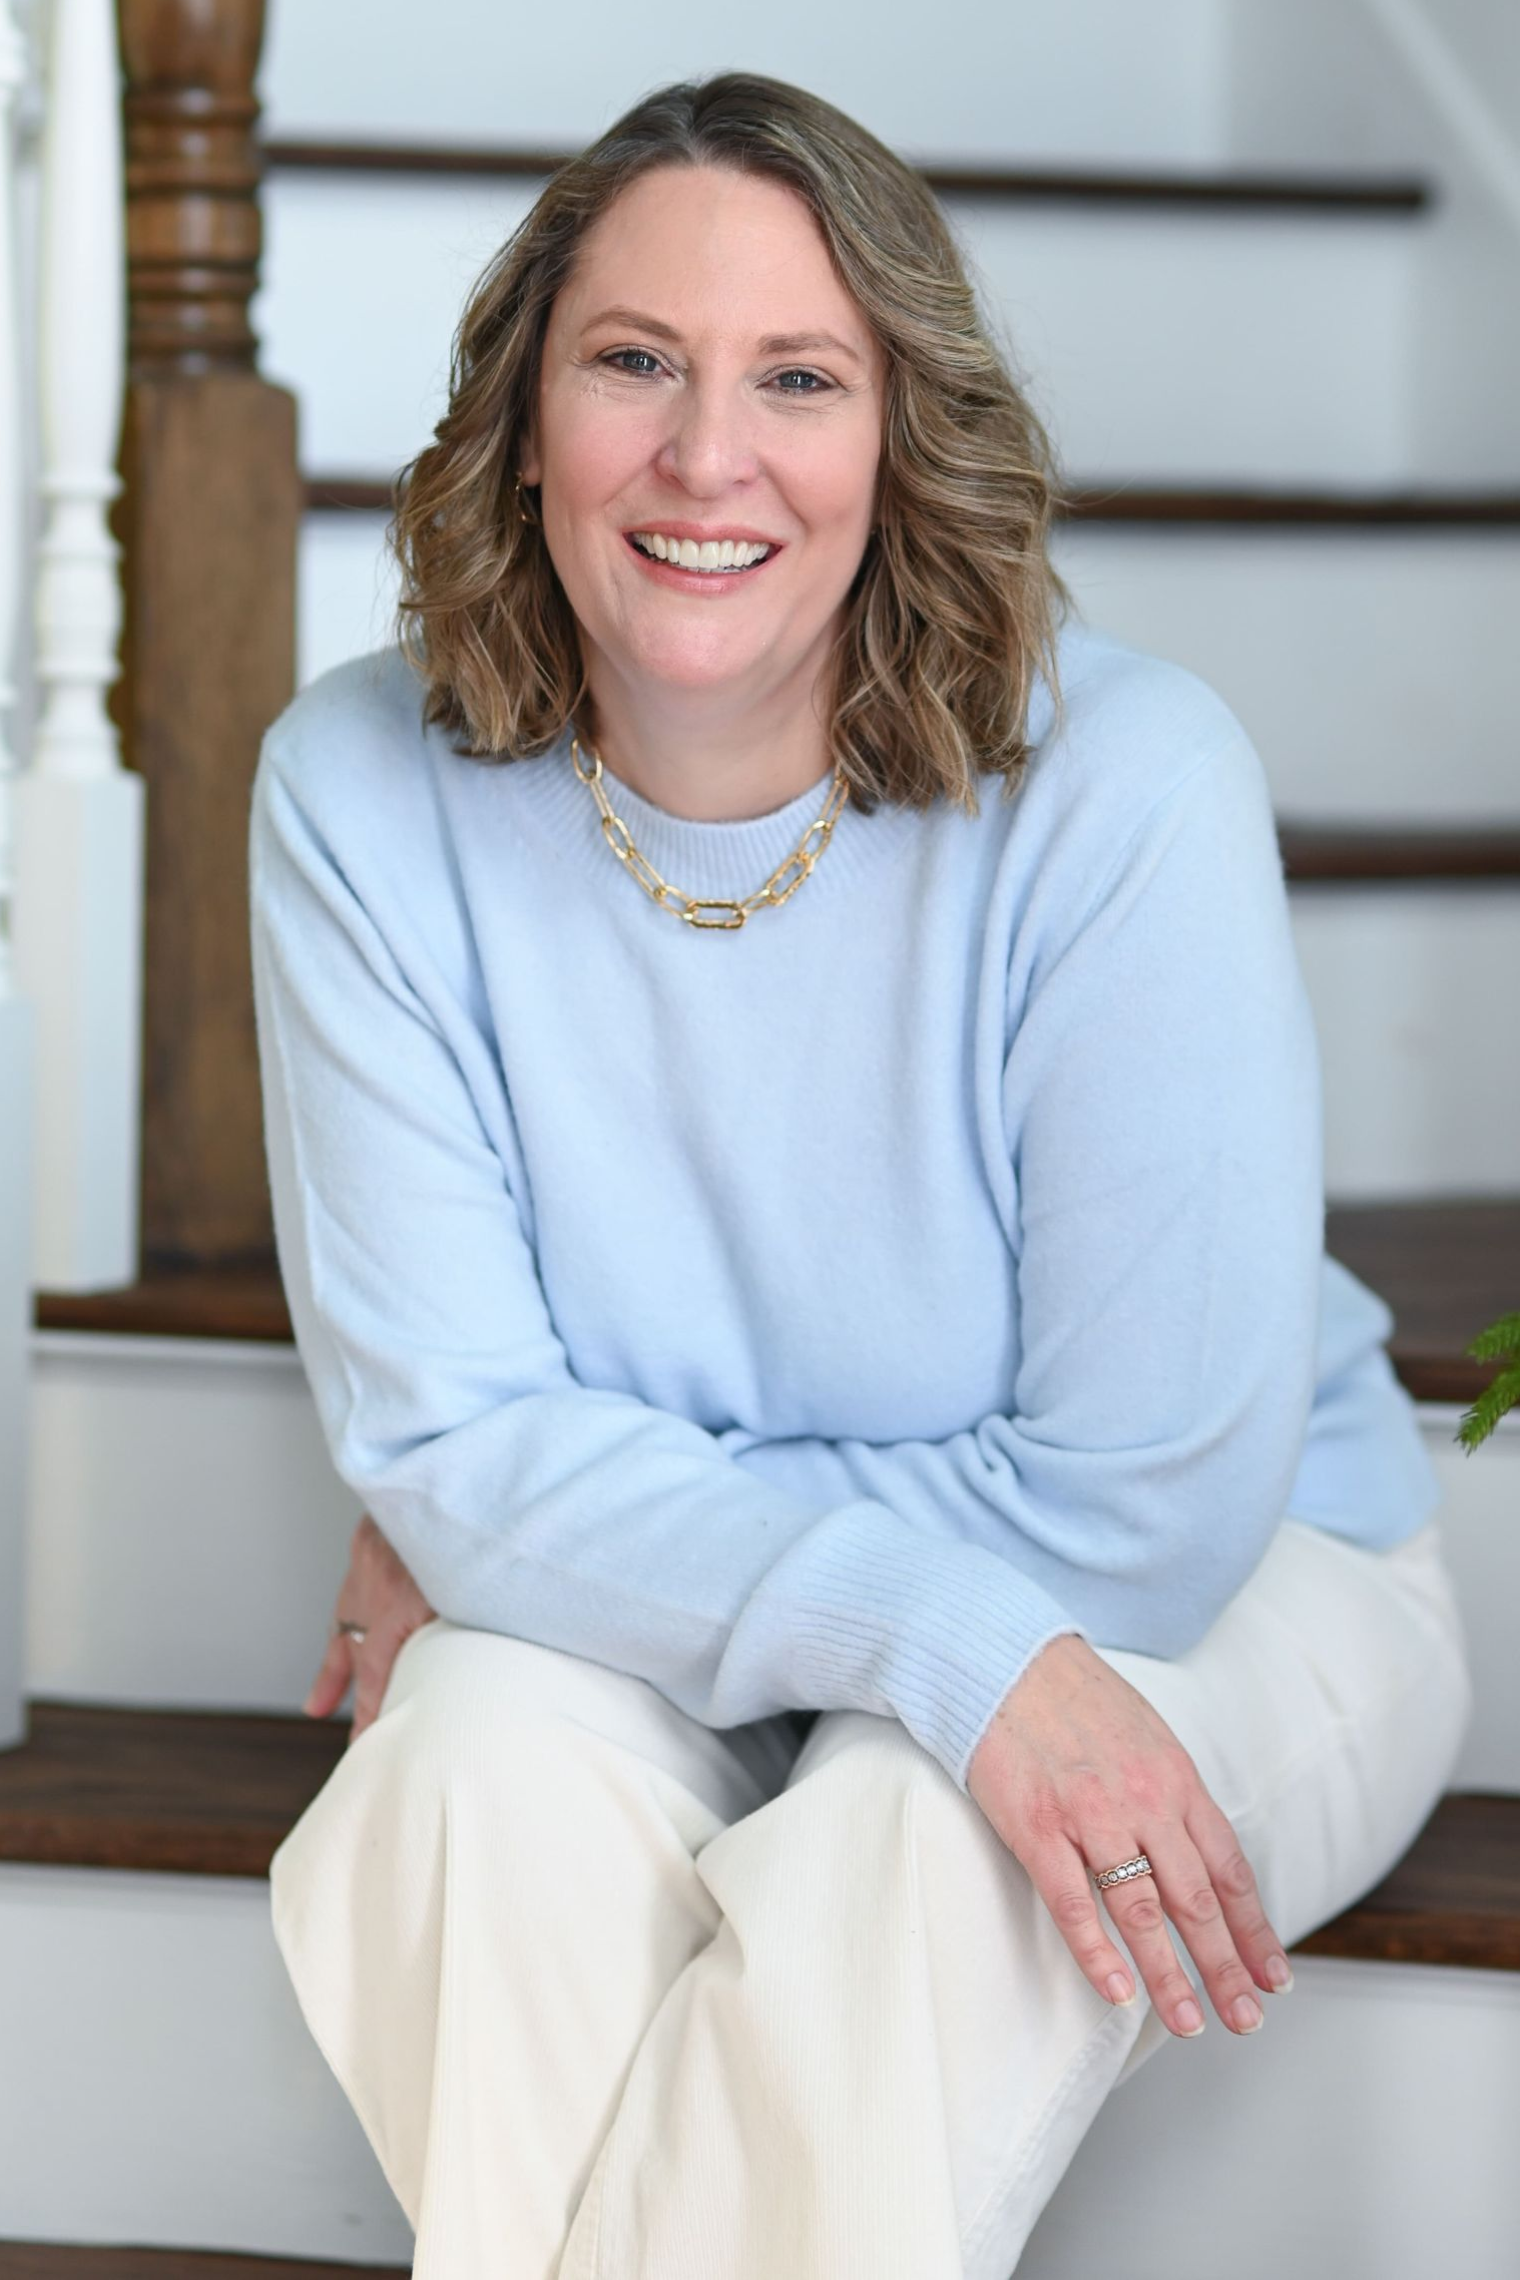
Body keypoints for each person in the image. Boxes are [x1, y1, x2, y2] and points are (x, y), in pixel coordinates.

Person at [250, 69, 1475, 2280]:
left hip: (1226, 1584)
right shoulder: (356, 787)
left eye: (796, 379)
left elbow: (1136, 1505)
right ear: (522, 417)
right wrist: (499, 1492)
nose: (705, 457)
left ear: (897, 437)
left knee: (901, 1853)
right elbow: (452, 1439)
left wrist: (554, 1508)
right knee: (457, 1794)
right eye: (634, 361)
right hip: (783, 1579)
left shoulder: (1125, 785)